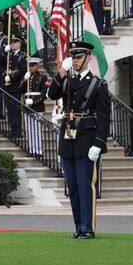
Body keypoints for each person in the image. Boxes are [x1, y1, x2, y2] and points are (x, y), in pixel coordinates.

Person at [47, 42, 111, 239]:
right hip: (68, 139)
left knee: (85, 185)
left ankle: (88, 227)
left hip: (87, 140)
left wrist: (99, 143)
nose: (74, 61)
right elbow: (52, 94)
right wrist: (61, 72)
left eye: (78, 57)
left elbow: (104, 116)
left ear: (88, 58)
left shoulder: (98, 84)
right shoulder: (67, 81)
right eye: (72, 57)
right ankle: (78, 226)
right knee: (73, 187)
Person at [22, 58, 49, 157]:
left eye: (33, 65)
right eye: (30, 65)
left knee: (37, 129)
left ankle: (39, 150)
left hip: (37, 106)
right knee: (29, 129)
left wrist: (34, 101)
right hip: (26, 105)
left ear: (37, 66)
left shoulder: (43, 77)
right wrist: (24, 80)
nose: (31, 67)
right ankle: (32, 149)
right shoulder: (27, 77)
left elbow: (44, 93)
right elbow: (21, 90)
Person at [3, 36, 27, 138]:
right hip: (7, 87)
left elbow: (22, 70)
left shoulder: (23, 56)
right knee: (10, 110)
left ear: (19, 44)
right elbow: (2, 63)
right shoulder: (9, 55)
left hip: (16, 86)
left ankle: (18, 131)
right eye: (11, 43)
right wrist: (5, 52)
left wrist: (11, 77)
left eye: (14, 42)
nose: (12, 44)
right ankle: (13, 130)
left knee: (16, 110)